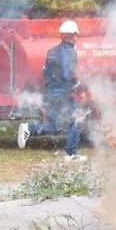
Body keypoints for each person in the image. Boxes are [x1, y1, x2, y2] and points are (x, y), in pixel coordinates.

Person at [17, 20, 86, 162]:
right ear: (71, 36)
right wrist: (79, 87)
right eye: (75, 35)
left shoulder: (52, 51)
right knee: (77, 118)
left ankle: (29, 128)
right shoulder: (70, 52)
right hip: (62, 93)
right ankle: (71, 154)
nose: (75, 38)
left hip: (51, 92)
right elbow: (68, 74)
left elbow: (46, 74)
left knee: (54, 126)